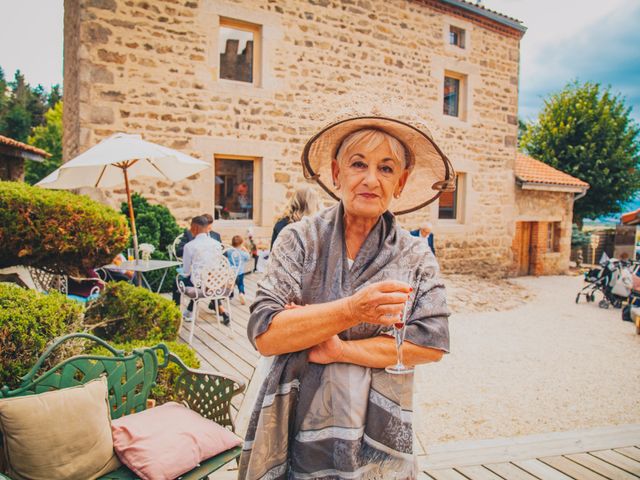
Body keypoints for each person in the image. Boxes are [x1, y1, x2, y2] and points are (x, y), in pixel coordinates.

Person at [240, 114, 455, 480]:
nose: (371, 179)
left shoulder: (415, 255)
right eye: (359, 164)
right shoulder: (300, 240)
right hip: (296, 416)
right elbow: (267, 334)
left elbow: (431, 344)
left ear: (399, 183)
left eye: (386, 168)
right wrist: (354, 309)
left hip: (377, 428)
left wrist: (338, 348)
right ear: (337, 173)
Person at [173, 216, 228, 325]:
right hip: (217, 284)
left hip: (199, 285)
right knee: (199, 277)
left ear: (195, 228)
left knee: (176, 281)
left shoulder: (189, 246)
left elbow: (186, 271)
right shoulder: (217, 244)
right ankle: (189, 311)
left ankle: (175, 313)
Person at [225, 235, 251, 305]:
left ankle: (230, 295)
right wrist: (245, 250)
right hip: (240, 272)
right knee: (240, 284)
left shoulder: (229, 251)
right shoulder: (243, 253)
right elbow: (248, 257)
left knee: (231, 284)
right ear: (241, 244)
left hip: (231, 273)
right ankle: (241, 293)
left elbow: (225, 255)